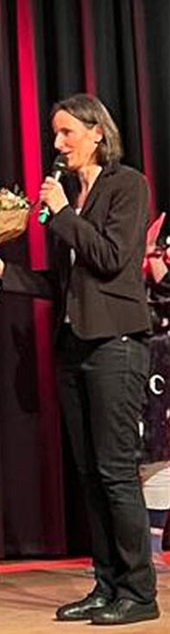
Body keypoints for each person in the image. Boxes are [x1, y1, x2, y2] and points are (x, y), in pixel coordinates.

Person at [0, 93, 160, 625]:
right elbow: (64, 284)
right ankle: (106, 584)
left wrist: (61, 214)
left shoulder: (126, 185)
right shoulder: (70, 197)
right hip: (74, 346)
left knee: (114, 471)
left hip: (116, 344)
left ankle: (139, 592)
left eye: (66, 133)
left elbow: (110, 260)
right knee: (89, 473)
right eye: (55, 134)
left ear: (96, 134)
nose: (57, 144)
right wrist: (3, 274)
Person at [140, 213, 169, 572]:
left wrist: (153, 255)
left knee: (161, 452)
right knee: (128, 453)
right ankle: (127, 549)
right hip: (130, 353)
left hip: (162, 360)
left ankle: (153, 546)